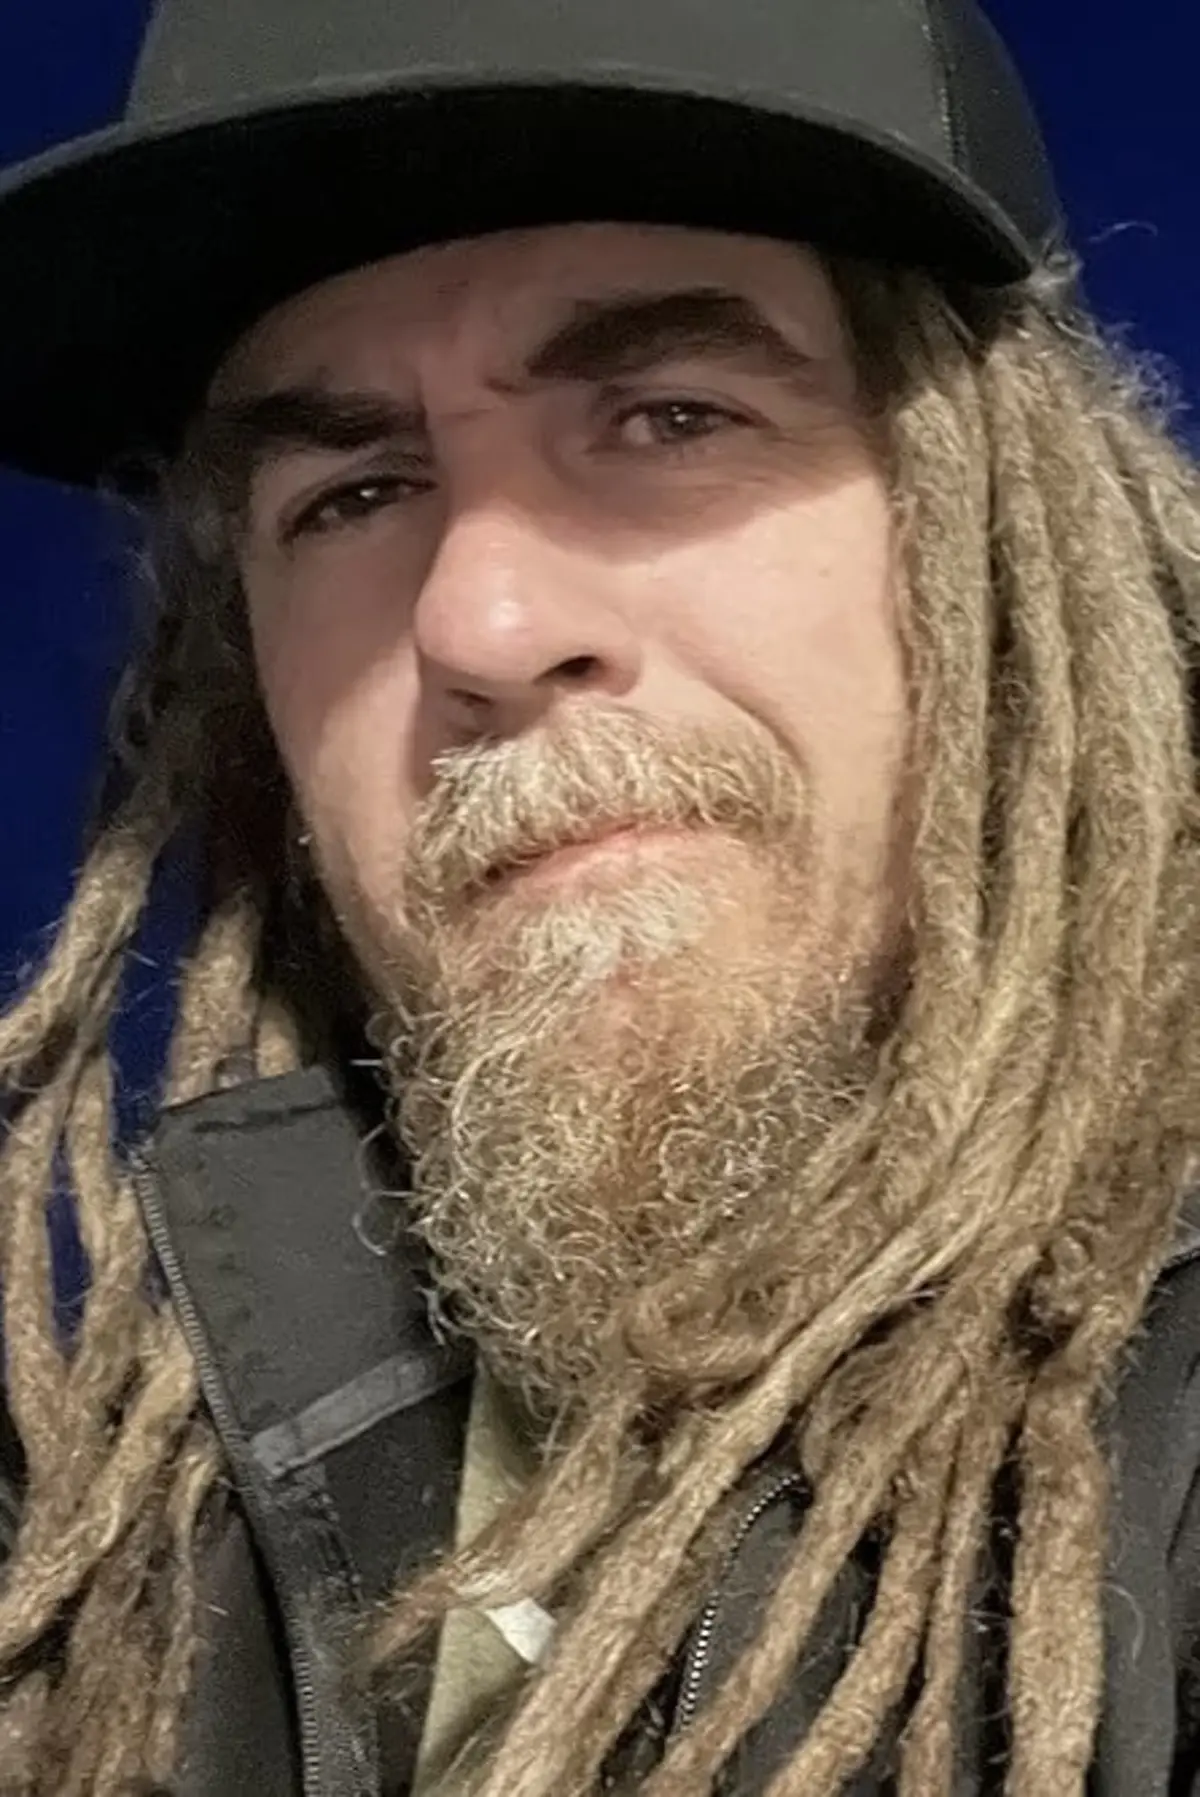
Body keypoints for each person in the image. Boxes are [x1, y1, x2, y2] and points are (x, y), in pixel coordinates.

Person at [0, 0, 1198, 1792]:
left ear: (1011, 533)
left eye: (670, 415)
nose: (481, 623)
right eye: (356, 490)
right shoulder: (112, 1521)